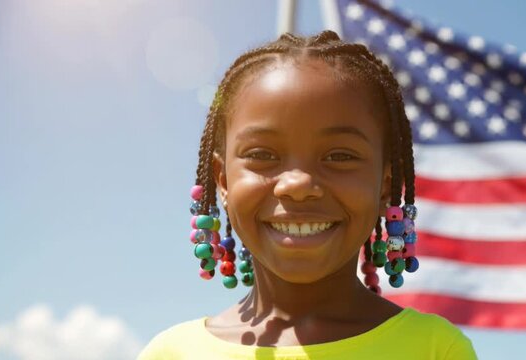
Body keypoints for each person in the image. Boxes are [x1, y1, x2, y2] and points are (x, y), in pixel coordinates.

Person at [138, 30, 477, 359]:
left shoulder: (435, 350)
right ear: (223, 181)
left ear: (385, 184)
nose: (297, 185)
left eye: (340, 156)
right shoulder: (172, 353)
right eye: (262, 155)